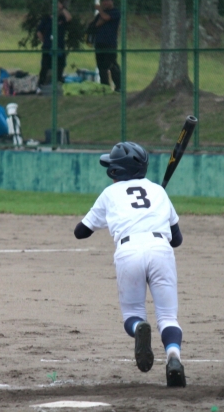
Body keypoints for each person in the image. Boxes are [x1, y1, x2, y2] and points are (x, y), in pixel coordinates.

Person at [73, 142, 186, 387]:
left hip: (129, 251)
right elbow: (177, 239)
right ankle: (174, 356)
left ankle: (138, 328)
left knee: (132, 315)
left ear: (115, 171)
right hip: (161, 250)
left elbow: (80, 232)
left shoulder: (109, 194)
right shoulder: (158, 191)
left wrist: (113, 217)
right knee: (168, 316)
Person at [37, 1, 72, 87]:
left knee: (59, 67)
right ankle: (41, 85)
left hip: (59, 47)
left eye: (57, 8)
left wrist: (62, 7)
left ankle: (58, 85)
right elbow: (39, 31)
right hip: (48, 47)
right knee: (45, 67)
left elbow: (69, 18)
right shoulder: (46, 19)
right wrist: (45, 41)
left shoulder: (62, 19)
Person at [93, 0, 121, 92]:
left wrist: (100, 10)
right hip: (99, 43)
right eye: (103, 0)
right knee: (101, 67)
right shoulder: (101, 14)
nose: (105, 2)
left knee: (112, 65)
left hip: (110, 43)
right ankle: (105, 87)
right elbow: (96, 24)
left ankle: (119, 87)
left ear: (112, 1)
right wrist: (102, 15)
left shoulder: (115, 12)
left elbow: (106, 18)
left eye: (107, 0)